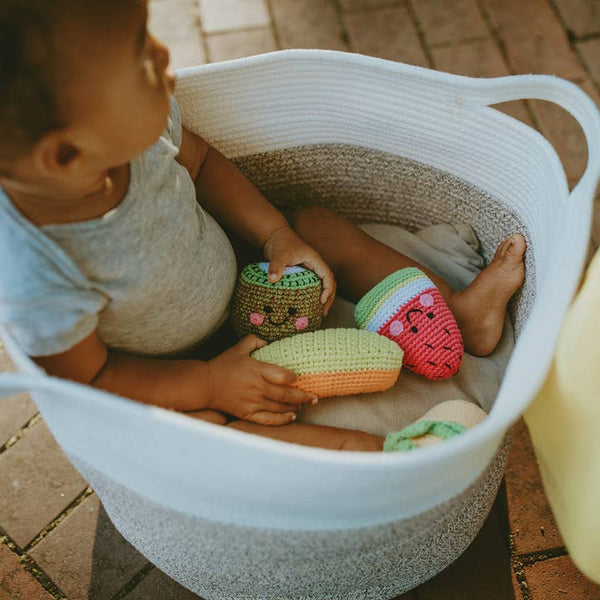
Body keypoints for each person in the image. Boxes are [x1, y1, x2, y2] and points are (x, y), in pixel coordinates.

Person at [0, 0, 526, 452]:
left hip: (249, 281)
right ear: (66, 156)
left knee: (316, 224)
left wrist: (276, 235)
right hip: (174, 370)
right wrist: (209, 383)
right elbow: (93, 379)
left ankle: (457, 313)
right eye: (138, 56)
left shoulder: (137, 130)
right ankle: (389, 455)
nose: (162, 56)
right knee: (214, 435)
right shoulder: (33, 274)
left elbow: (203, 165)